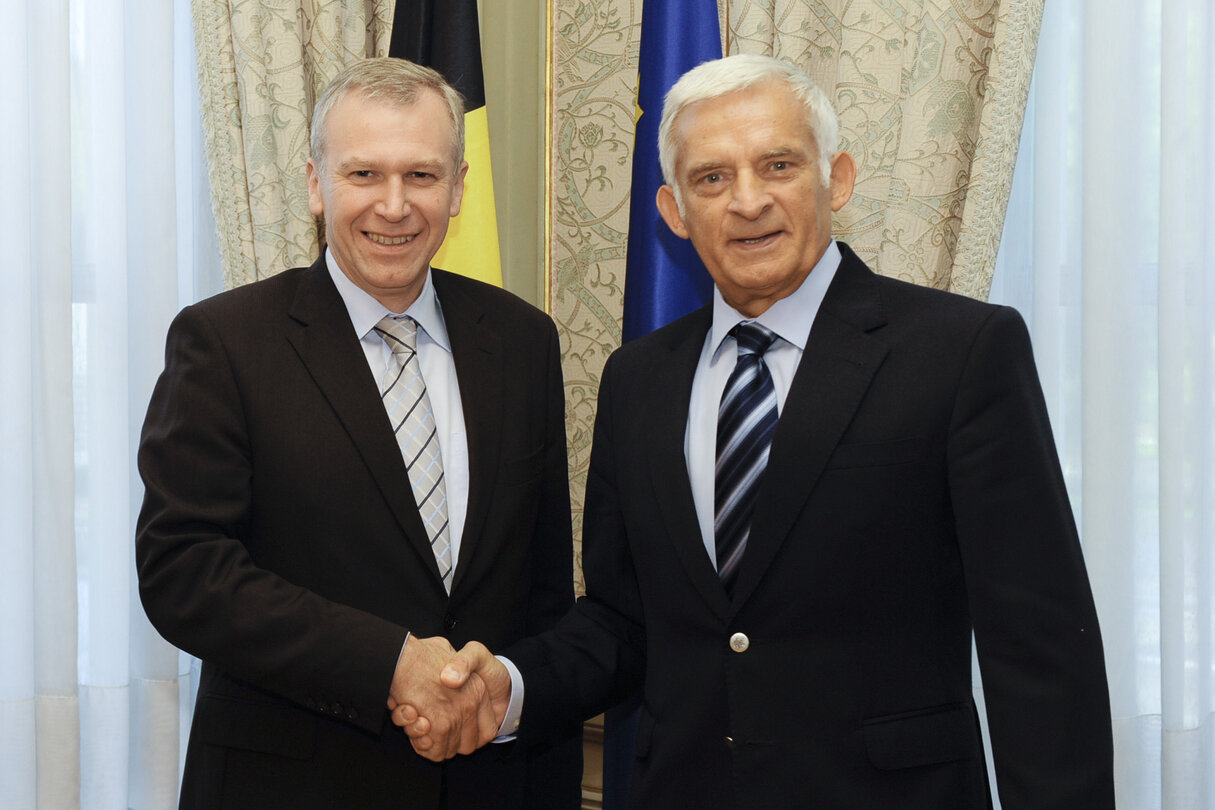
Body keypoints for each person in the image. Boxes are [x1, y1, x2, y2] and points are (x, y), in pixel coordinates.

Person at [399, 54, 1115, 808]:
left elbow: (1039, 648)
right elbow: (622, 621)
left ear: (834, 178)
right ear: (673, 212)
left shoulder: (959, 352)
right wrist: (506, 688)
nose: (746, 201)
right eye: (710, 178)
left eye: (776, 165)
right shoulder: (639, 379)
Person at [135, 58, 581, 809]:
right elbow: (184, 573)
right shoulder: (225, 341)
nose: (395, 205)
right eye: (365, 174)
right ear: (317, 184)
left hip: (491, 783)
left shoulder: (522, 339)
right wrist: (389, 663)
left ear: (459, 185)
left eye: (422, 175)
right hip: (294, 786)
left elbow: (542, 592)